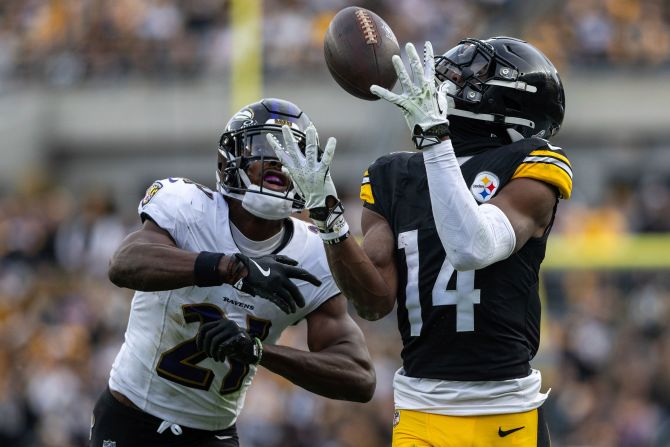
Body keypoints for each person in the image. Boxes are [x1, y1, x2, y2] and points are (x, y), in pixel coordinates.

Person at [270, 37, 572, 446]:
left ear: (513, 101)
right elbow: (373, 302)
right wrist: (329, 221)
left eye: (478, 73)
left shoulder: (533, 165)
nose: (452, 76)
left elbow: (473, 248)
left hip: (506, 410)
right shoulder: (392, 175)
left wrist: (434, 139)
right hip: (422, 408)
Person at [90, 98, 376, 447]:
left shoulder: (313, 253)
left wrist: (256, 351)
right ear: (231, 158)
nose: (279, 164)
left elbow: (360, 377)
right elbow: (124, 263)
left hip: (215, 432)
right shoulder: (190, 209)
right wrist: (230, 268)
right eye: (264, 149)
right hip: (131, 419)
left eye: (291, 155)